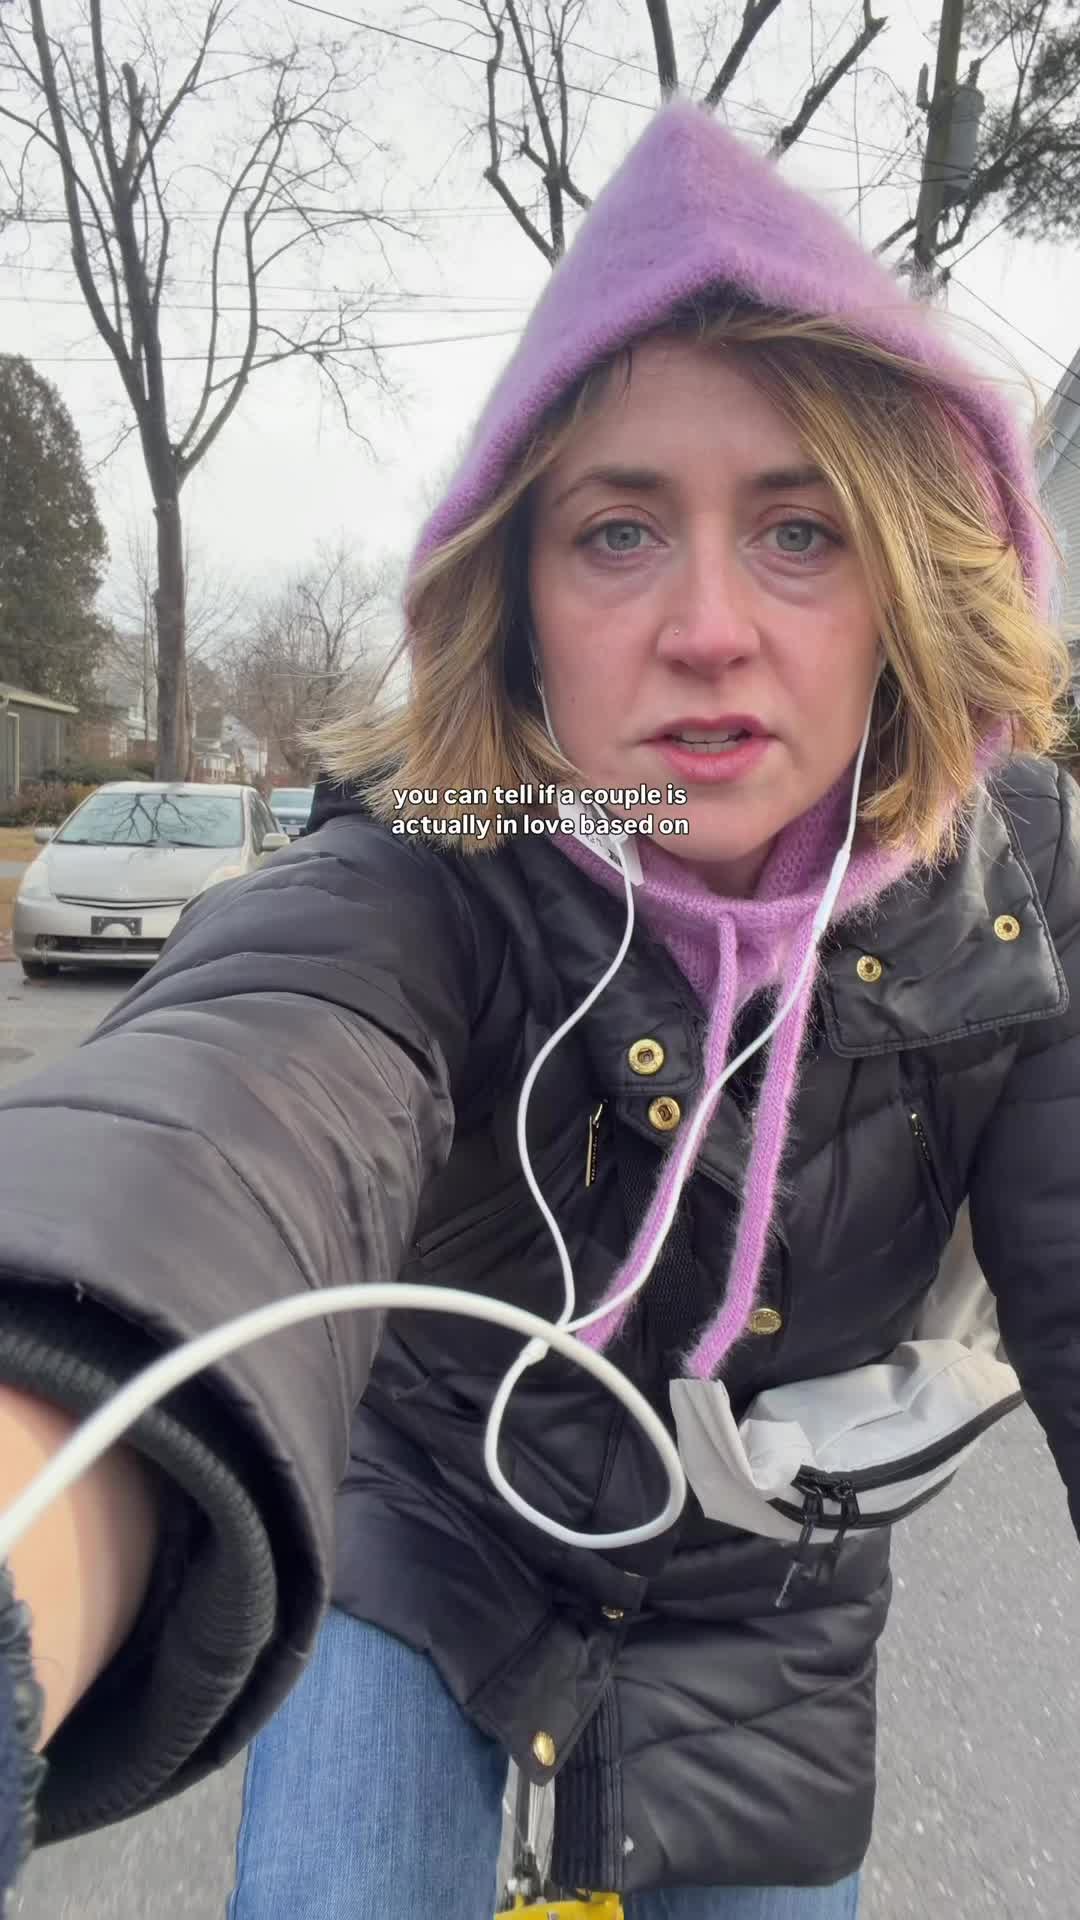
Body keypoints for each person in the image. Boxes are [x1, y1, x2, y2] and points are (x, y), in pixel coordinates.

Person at [0, 95, 1077, 1920]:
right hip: (429, 1532)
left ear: (907, 579)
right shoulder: (436, 853)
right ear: (516, 601)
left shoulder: (1024, 876)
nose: (710, 626)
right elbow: (223, 1121)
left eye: (800, 530)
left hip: (767, 1612)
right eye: (618, 532)